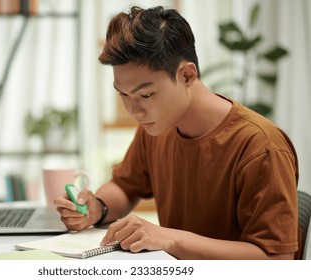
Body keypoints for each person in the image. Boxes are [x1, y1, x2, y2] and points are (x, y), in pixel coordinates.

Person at [55, 6, 299, 259]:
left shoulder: (261, 146)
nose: (133, 110)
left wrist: (169, 238)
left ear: (187, 75)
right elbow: (125, 186)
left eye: (146, 95)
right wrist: (98, 208)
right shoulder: (157, 126)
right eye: (123, 94)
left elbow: (277, 261)